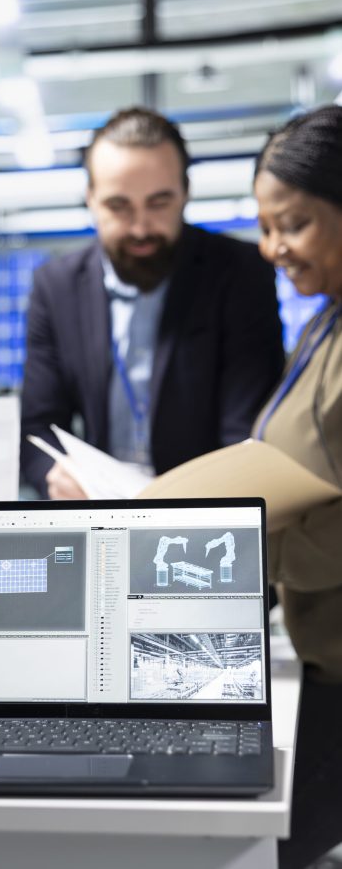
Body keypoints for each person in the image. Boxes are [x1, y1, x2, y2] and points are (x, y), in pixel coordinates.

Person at [20, 106, 284, 499]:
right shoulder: (56, 287)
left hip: (205, 507)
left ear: (185, 192)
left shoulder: (240, 274)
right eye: (119, 206)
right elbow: (37, 427)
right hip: (99, 511)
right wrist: (55, 474)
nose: (141, 228)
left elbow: (246, 430)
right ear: (90, 199)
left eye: (159, 203)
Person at [252, 103, 342, 869]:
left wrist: (256, 551)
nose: (273, 246)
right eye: (265, 226)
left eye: (295, 224)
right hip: (320, 652)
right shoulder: (323, 321)